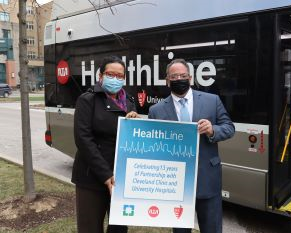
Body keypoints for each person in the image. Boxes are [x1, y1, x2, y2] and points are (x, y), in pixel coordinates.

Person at [148, 59, 235, 233]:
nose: (179, 79)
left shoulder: (212, 100)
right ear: (167, 80)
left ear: (190, 78)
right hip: (175, 185)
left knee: (212, 229)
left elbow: (229, 128)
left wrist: (212, 130)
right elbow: (153, 146)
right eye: (174, 76)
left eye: (183, 75)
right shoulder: (156, 110)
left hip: (208, 179)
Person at [72, 55, 138, 233]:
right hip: (91, 178)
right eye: (111, 74)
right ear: (100, 76)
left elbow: (131, 139)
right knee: (90, 228)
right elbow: (83, 139)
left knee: (119, 228)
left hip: (120, 179)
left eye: (120, 76)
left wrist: (136, 123)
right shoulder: (87, 100)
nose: (115, 79)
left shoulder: (130, 102)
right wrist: (105, 174)